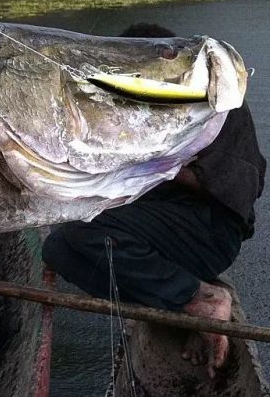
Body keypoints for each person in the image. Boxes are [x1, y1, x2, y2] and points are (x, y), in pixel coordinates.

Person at [42, 22, 266, 378]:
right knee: (56, 249)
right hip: (168, 222)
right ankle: (184, 305)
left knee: (85, 230)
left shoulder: (209, 97)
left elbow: (234, 188)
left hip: (211, 231)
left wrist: (160, 164)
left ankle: (202, 301)